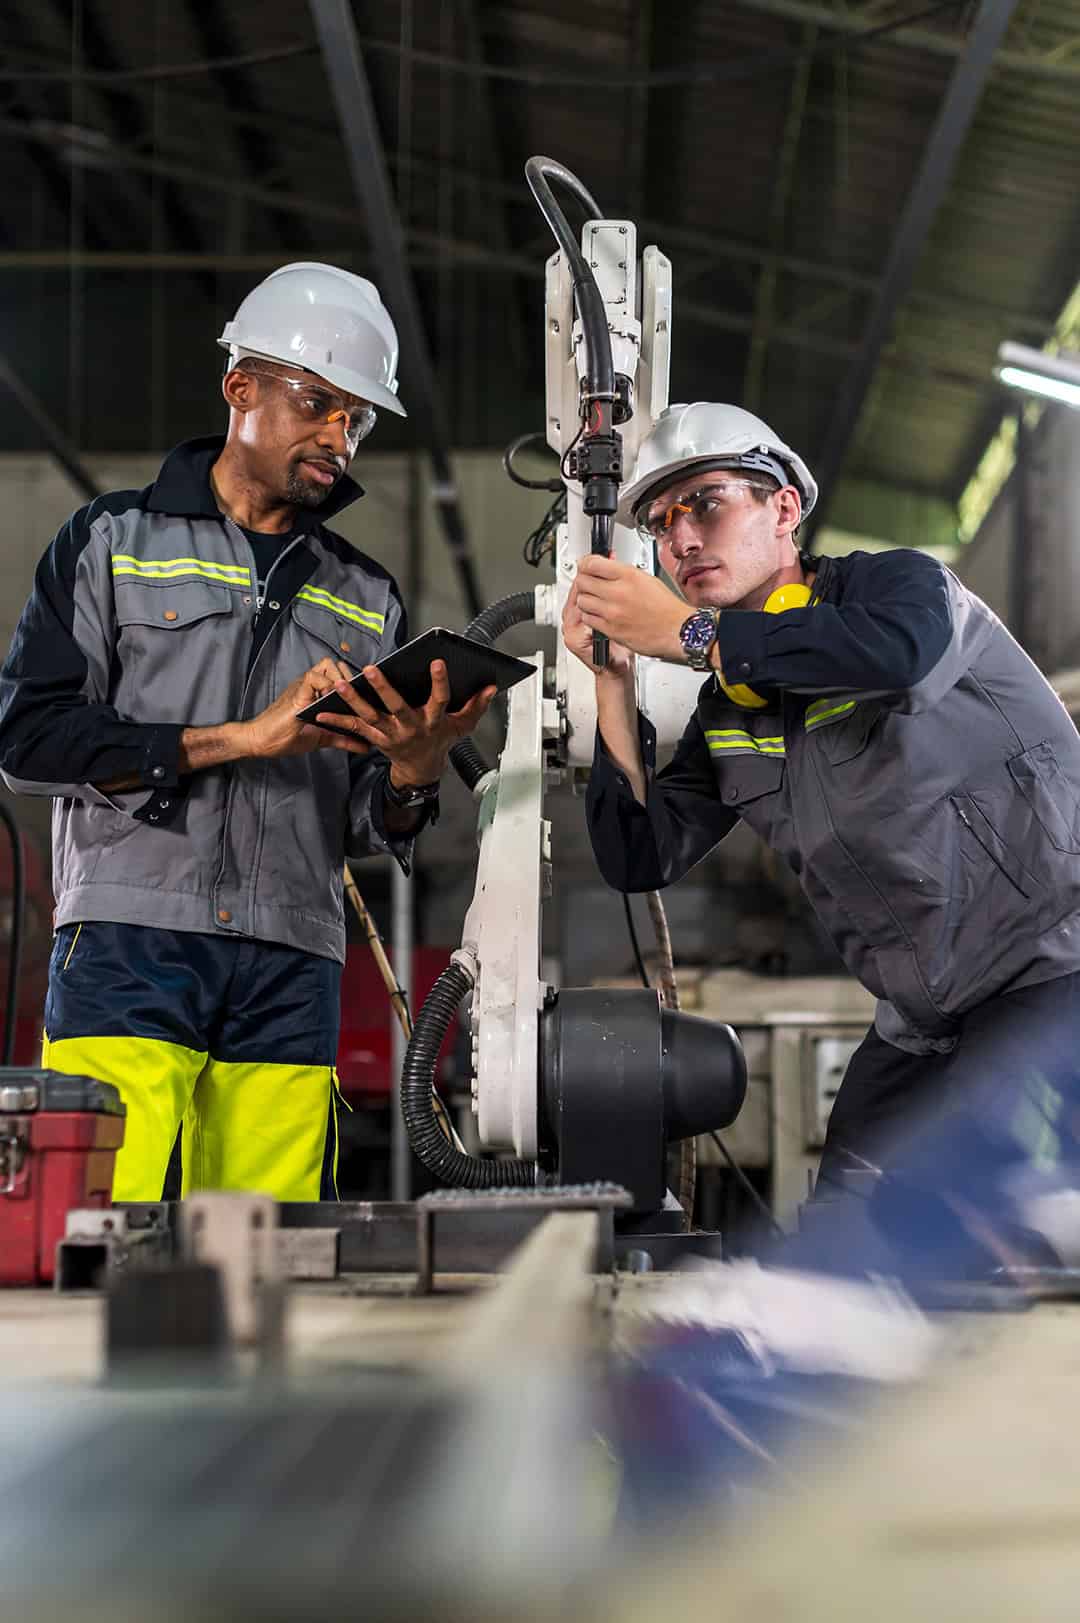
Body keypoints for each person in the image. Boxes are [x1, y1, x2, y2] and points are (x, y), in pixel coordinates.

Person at [0, 262, 493, 1203]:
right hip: (127, 945)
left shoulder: (366, 593)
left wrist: (413, 773)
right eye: (317, 403)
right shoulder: (111, 541)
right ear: (242, 389)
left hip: (292, 961)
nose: (336, 436)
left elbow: (365, 824)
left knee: (273, 1262)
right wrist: (238, 739)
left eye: (355, 418)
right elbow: (29, 740)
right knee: (98, 1229)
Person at [565, 401, 1080, 1188]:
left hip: (1051, 971)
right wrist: (610, 680)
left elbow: (903, 659)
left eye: (706, 502)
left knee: (1006, 1235)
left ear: (784, 508)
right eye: (664, 523)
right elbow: (639, 853)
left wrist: (694, 637)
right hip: (924, 1021)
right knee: (843, 1222)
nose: (682, 539)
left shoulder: (898, 590)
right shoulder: (730, 711)